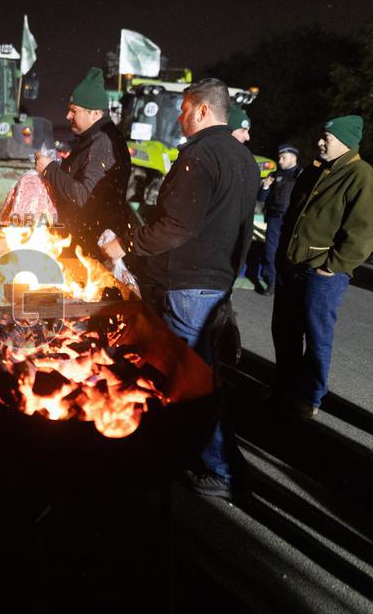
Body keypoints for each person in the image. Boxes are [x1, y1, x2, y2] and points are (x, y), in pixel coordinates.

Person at [100, 78, 260, 501]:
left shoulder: (200, 156)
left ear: (204, 110)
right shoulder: (244, 160)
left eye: (185, 109)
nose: (179, 117)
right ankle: (215, 462)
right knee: (201, 380)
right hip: (214, 285)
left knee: (189, 383)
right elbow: (244, 232)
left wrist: (126, 244)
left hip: (189, 287)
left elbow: (177, 226)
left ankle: (220, 470)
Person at [271, 115, 373, 418]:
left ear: (345, 142)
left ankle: (310, 397)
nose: (320, 142)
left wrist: (332, 266)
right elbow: (294, 214)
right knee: (285, 331)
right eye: (322, 136)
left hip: (322, 274)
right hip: (293, 266)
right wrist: (283, 255)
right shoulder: (316, 169)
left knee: (316, 336)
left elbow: (366, 231)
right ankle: (284, 388)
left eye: (327, 138)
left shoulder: (360, 175)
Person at [36, 66, 132, 257]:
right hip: (82, 241)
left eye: (74, 111)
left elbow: (83, 196)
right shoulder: (94, 139)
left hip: (90, 249)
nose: (67, 116)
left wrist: (49, 169)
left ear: (95, 113)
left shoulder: (102, 143)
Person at [255, 143, 302, 295]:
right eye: (279, 157)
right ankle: (272, 282)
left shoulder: (301, 175)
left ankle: (288, 284)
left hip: (292, 220)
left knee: (288, 254)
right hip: (274, 218)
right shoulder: (274, 175)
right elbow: (261, 198)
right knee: (270, 251)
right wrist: (265, 186)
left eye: (284, 157)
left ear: (293, 157)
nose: (280, 161)